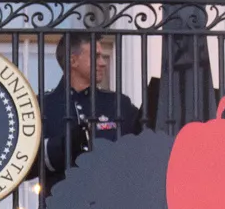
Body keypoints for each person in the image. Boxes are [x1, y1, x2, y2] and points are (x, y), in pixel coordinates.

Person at [35, 32, 144, 189]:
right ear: (73, 60)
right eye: (96, 56)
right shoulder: (44, 105)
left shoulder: (118, 103)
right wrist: (68, 143)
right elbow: (28, 164)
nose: (103, 63)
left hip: (112, 207)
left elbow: (144, 146)